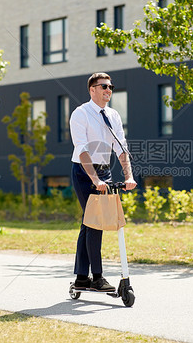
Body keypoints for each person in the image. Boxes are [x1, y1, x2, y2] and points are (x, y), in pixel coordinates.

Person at [69, 72, 137, 291]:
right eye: (104, 86)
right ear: (92, 90)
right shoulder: (81, 114)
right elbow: (82, 150)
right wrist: (95, 179)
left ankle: (81, 278)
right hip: (84, 172)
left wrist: (129, 176)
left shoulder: (113, 115)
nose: (109, 90)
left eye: (111, 87)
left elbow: (121, 146)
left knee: (88, 222)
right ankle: (97, 278)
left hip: (105, 171)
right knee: (95, 222)